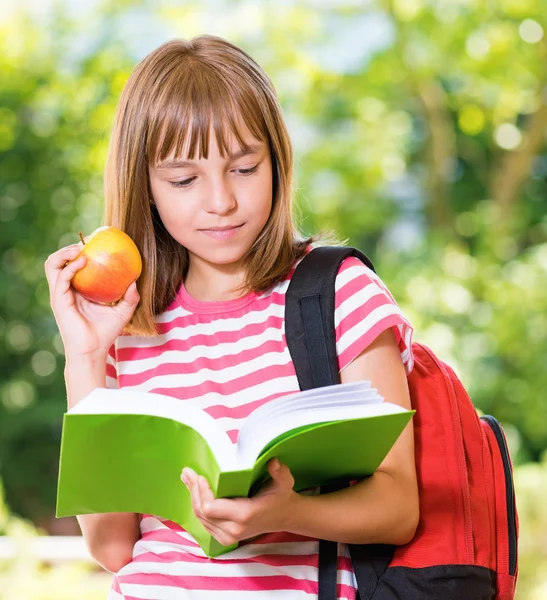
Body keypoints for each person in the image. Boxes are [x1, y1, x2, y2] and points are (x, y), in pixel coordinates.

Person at [45, 35, 419, 600]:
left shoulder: (338, 293)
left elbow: (399, 509)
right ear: (144, 186)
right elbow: (112, 548)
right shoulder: (127, 324)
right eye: (183, 180)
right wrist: (87, 357)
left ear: (276, 161)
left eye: (244, 167)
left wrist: (286, 512)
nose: (220, 200)